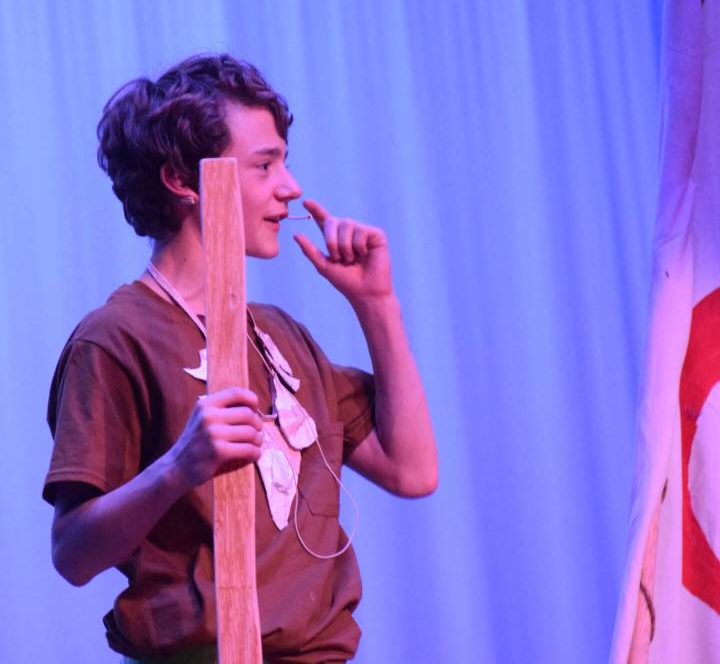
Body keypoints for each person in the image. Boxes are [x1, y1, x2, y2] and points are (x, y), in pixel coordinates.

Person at [44, 53, 438, 664]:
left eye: (284, 161)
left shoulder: (281, 336)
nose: (291, 186)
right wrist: (178, 467)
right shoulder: (116, 338)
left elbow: (412, 471)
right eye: (265, 165)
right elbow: (72, 554)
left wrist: (377, 305)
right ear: (184, 180)